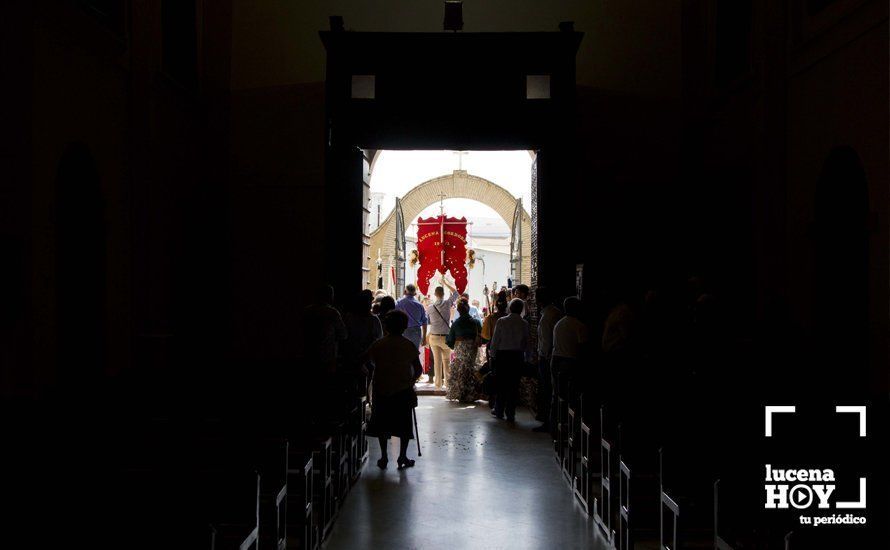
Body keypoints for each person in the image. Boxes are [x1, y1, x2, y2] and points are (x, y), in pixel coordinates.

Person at [365, 311, 423, 470]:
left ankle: (384, 456)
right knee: (404, 424)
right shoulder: (408, 344)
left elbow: (367, 361)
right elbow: (418, 369)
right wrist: (410, 381)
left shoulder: (378, 344)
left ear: (386, 326)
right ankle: (402, 456)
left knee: (382, 423)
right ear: (404, 327)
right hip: (402, 389)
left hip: (382, 388)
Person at [550, 296, 589, 430]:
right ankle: (572, 428)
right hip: (570, 361)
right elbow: (582, 348)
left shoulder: (559, 324)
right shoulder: (579, 326)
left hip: (556, 360)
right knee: (572, 397)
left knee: (556, 394)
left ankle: (555, 425)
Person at [488, 298, 529, 421]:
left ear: (510, 308)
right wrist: (527, 357)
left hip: (502, 356)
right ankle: (511, 412)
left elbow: (495, 341)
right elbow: (526, 343)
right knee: (513, 385)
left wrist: (493, 356)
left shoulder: (502, 321)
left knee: (501, 384)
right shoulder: (524, 324)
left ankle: (499, 410)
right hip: (517, 356)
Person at [533, 287, 562, 432]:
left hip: (547, 357)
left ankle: (548, 421)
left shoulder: (546, 317)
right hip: (553, 355)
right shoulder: (555, 312)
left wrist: (541, 355)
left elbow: (545, 341)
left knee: (547, 389)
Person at [303, 284, 347, 375]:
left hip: (309, 353)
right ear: (330, 296)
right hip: (328, 355)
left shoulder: (307, 311)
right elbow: (343, 335)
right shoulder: (332, 312)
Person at [446, 300, 482, 403]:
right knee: (471, 369)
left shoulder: (456, 323)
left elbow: (450, 340)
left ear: (458, 310)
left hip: (460, 348)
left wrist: (450, 342)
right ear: (468, 309)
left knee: (461, 370)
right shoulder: (476, 322)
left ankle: (460, 394)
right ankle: (471, 394)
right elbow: (481, 336)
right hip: (472, 349)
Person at [426, 278, 458, 389]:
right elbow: (456, 293)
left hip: (434, 336)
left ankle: (438, 385)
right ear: (443, 294)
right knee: (447, 361)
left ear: (435, 294)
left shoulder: (430, 307)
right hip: (445, 337)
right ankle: (448, 385)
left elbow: (428, 321)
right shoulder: (448, 303)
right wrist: (446, 283)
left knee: (437, 361)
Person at [342, 290, 383, 376]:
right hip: (366, 359)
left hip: (352, 357)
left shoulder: (349, 317)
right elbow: (378, 340)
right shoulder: (373, 320)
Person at [396, 284, 428, 354]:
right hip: (416, 332)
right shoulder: (420, 305)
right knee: (414, 353)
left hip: (403, 331)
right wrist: (424, 338)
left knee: (403, 353)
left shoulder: (399, 303)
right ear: (415, 293)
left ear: (405, 292)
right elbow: (424, 322)